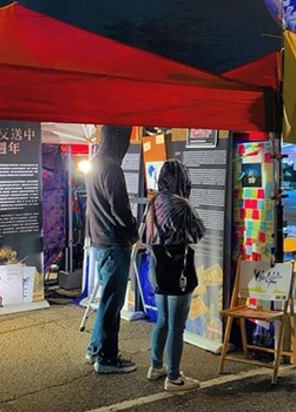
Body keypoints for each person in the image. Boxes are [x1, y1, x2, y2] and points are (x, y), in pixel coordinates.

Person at [145, 159, 205, 392]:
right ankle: (174, 377)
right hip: (179, 267)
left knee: (162, 320)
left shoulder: (155, 201)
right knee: (177, 326)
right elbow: (198, 233)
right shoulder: (181, 204)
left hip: (159, 267)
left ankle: (156, 365)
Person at [85, 125, 139, 373]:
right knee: (112, 300)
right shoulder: (111, 167)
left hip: (100, 240)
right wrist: (133, 232)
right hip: (114, 242)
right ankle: (106, 358)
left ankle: (96, 348)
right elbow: (120, 209)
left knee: (106, 298)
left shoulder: (96, 163)